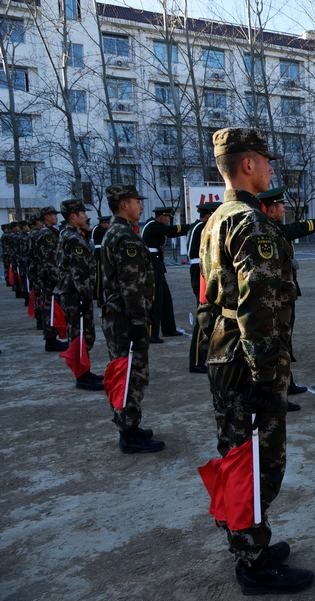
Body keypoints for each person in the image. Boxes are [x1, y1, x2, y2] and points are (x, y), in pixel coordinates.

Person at [200, 128, 314, 595]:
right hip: (249, 362)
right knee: (257, 461)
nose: (270, 168)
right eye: (265, 160)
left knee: (239, 453)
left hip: (226, 355)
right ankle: (253, 563)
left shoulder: (218, 218)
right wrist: (267, 378)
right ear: (248, 164)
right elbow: (257, 308)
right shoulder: (251, 223)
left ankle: (250, 542)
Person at [257, 186, 315, 409]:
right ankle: (279, 394)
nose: (284, 208)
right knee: (279, 344)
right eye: (280, 205)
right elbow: (294, 230)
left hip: (284, 296)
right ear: (270, 207)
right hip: (276, 299)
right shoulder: (267, 229)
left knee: (285, 342)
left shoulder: (272, 227)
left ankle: (287, 383)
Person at [101, 185, 165, 454]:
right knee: (131, 375)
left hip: (119, 317)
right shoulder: (124, 236)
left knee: (127, 372)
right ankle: (128, 432)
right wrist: (140, 322)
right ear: (124, 204)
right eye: (136, 202)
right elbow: (131, 286)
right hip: (127, 319)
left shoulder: (114, 232)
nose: (140, 206)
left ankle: (130, 425)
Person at [54, 199, 105, 391]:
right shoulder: (74, 238)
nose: (85, 216)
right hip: (75, 294)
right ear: (73, 216)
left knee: (80, 333)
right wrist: (85, 295)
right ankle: (82, 375)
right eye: (82, 213)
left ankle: (84, 371)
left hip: (71, 292)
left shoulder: (70, 234)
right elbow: (79, 270)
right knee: (80, 333)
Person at [141, 206, 188, 342]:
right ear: (161, 216)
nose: (169, 220)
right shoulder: (153, 225)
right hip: (152, 265)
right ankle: (152, 334)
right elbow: (170, 231)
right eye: (167, 217)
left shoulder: (155, 225)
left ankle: (169, 329)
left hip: (157, 264)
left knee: (165, 299)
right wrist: (189, 227)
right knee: (156, 300)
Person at [187, 201, 221, 373]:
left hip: (200, 270)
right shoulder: (203, 228)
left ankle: (202, 357)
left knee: (208, 316)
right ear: (210, 215)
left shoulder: (198, 226)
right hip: (201, 272)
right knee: (204, 318)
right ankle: (197, 360)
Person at [31, 206, 68, 352]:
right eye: (53, 215)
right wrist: (56, 277)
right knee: (49, 307)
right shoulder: (46, 234)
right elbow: (49, 259)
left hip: (48, 275)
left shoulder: (51, 231)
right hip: (49, 277)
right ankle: (51, 340)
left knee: (51, 307)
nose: (55, 217)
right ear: (46, 216)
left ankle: (52, 338)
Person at [91, 215, 111, 303]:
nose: (108, 225)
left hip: (103, 253)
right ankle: (99, 297)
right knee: (99, 277)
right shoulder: (99, 229)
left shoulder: (102, 229)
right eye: (107, 223)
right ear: (103, 223)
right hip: (99, 254)